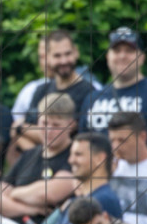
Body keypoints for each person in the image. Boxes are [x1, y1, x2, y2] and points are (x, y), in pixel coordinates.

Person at [79, 27, 147, 161]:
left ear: (142, 57)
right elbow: (82, 146)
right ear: (107, 56)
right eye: (116, 51)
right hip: (100, 179)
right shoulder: (93, 98)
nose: (122, 56)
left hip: (142, 179)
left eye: (130, 51)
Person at [9, 31, 96, 161]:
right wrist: (40, 158)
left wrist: (20, 127)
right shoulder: (40, 90)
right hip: (35, 163)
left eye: (68, 54)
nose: (64, 60)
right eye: (57, 55)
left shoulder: (88, 92)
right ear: (47, 58)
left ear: (76, 52)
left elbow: (58, 136)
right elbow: (17, 136)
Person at [0, 93, 77, 222]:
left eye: (56, 125)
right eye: (44, 123)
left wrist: (14, 193)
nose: (49, 130)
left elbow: (50, 193)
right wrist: (29, 210)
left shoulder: (75, 155)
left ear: (70, 125)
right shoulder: (29, 155)